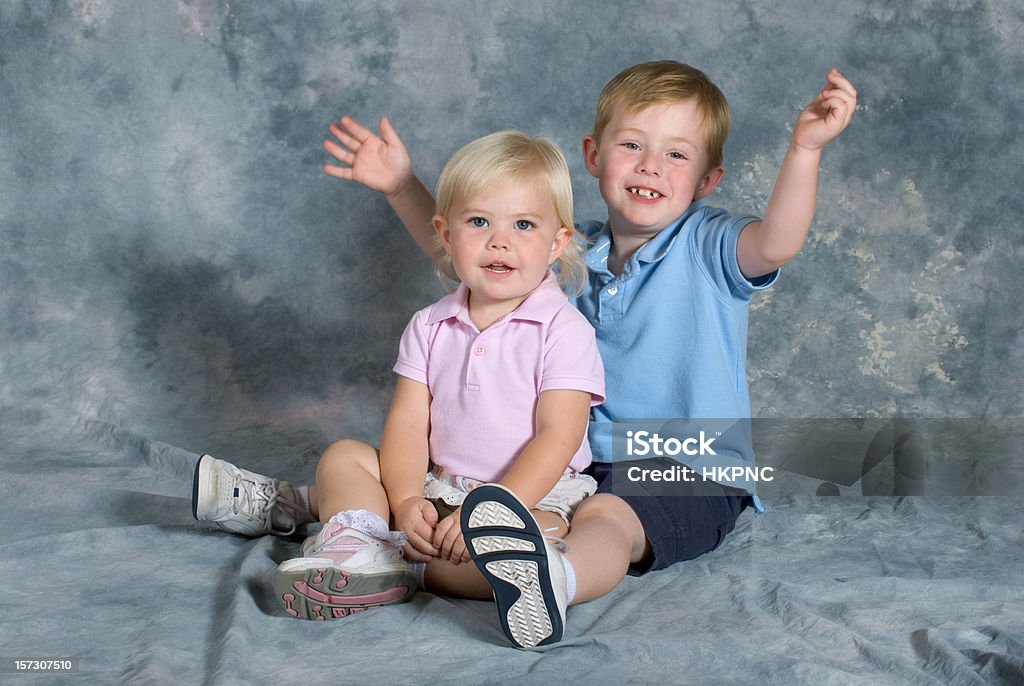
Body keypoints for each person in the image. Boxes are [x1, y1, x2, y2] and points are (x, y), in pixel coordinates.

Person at [319, 60, 857, 643]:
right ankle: (345, 526)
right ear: (595, 156)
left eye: (677, 154)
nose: (651, 165)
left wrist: (804, 149)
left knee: (606, 518)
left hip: (685, 465)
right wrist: (402, 186)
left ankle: (555, 579)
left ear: (707, 180)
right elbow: (474, 254)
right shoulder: (573, 254)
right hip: (578, 468)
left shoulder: (708, 245)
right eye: (632, 144)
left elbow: (776, 242)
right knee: (406, 477)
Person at [193, 131, 605, 646]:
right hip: (441, 483)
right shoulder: (430, 325)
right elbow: (409, 424)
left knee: (517, 547)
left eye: (524, 224)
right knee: (347, 455)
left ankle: (403, 569)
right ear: (445, 232)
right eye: (479, 222)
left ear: (557, 242)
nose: (500, 240)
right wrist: (409, 499)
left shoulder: (564, 330)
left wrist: (503, 505)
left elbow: (558, 437)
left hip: (530, 494)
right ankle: (360, 540)